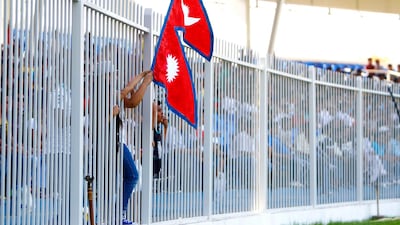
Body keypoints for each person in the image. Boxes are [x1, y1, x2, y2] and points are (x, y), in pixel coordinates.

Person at [113, 70, 153, 225]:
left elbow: (132, 101)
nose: (114, 77)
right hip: (115, 143)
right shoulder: (107, 92)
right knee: (133, 176)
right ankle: (118, 215)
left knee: (129, 177)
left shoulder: (113, 95)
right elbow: (127, 91)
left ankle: (118, 214)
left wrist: (144, 79)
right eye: (111, 74)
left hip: (117, 143)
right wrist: (143, 79)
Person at [152, 100, 168, 178]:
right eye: (158, 110)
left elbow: (162, 145)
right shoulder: (151, 128)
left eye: (162, 110)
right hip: (151, 165)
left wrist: (165, 127)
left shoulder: (158, 128)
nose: (162, 113)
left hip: (158, 164)